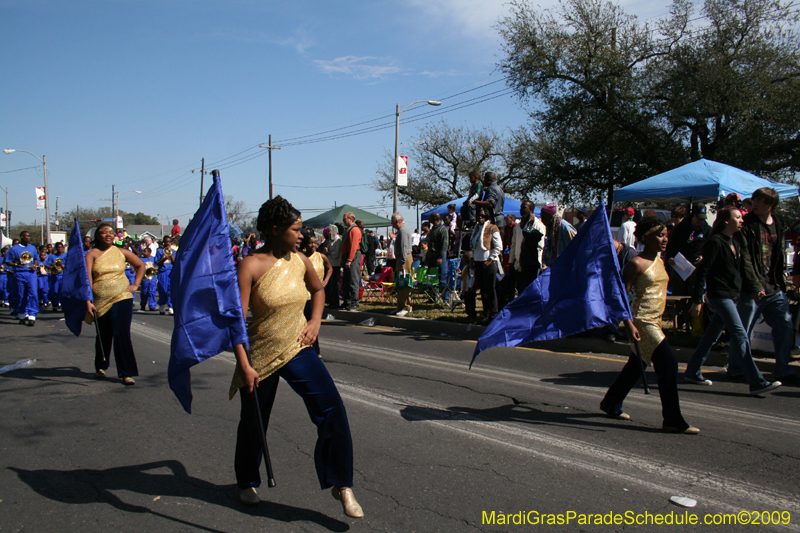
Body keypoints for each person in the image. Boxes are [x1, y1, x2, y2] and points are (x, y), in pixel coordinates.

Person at [229, 196, 363, 517]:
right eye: (296, 229)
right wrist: (244, 365)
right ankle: (247, 480)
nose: (301, 235)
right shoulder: (250, 265)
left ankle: (342, 484)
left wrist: (315, 321)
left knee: (331, 408)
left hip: (299, 347)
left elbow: (318, 291)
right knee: (254, 421)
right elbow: (235, 320)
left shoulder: (301, 260)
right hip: (261, 354)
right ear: (276, 230)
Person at [600, 216, 698, 434]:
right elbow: (620, 298)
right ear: (646, 238)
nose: (665, 239)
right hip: (643, 323)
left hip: (656, 321)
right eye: (660, 235)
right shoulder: (635, 263)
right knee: (669, 365)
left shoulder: (661, 261)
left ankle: (611, 403)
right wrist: (628, 324)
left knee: (636, 366)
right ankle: (672, 418)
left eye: (665, 235)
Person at [684, 207, 781, 394]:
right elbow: (703, 271)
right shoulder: (715, 242)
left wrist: (755, 287)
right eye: (738, 217)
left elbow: (743, 268)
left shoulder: (735, 240)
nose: (742, 220)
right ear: (726, 221)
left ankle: (692, 371)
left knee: (711, 336)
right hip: (720, 295)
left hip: (731, 294)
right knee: (740, 335)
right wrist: (697, 300)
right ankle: (757, 381)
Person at [736, 187, 798, 385]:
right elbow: (744, 257)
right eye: (754, 199)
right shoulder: (747, 224)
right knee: (743, 330)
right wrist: (754, 284)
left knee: (785, 325)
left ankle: (782, 368)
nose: (755, 203)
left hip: (774, 286)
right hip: (752, 288)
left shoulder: (778, 224)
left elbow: (779, 255)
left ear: (770, 204)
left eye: (760, 201)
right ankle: (737, 368)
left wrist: (781, 281)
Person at [85, 223, 145, 385]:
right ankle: (101, 366)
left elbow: (140, 265)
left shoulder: (122, 252)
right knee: (104, 334)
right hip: (100, 300)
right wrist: (88, 301)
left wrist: (135, 285)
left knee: (121, 333)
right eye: (104, 233)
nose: (108, 235)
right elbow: (87, 279)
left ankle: (126, 372)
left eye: (111, 232)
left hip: (122, 297)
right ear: (98, 236)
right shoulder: (92, 255)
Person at [300, 229, 332, 356]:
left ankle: (315, 350)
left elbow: (330, 269)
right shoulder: (301, 257)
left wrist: (325, 281)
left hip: (317, 294)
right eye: (309, 243)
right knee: (305, 322)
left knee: (314, 321)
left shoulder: (321, 256)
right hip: (304, 293)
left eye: (314, 243)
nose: (313, 245)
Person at [469, 208, 503, 325]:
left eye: (482, 216)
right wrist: (472, 259)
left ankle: (493, 314)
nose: (480, 218)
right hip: (478, 261)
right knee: (483, 290)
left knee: (490, 289)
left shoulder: (492, 228)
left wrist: (490, 260)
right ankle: (486, 313)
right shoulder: (476, 228)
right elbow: (473, 246)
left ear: (487, 217)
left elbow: (498, 246)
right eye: (478, 215)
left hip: (488, 261)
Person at [509, 200, 546, 294]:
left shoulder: (538, 225)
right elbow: (513, 245)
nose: (521, 210)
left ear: (531, 209)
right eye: (521, 207)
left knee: (531, 291)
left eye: (524, 207)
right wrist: (511, 261)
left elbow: (540, 247)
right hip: (519, 265)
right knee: (521, 290)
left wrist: (538, 264)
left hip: (531, 266)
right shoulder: (517, 227)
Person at [5, 231, 40, 325]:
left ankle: (32, 314)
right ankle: (21, 314)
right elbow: (8, 261)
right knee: (21, 295)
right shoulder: (14, 249)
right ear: (21, 237)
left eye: (29, 236)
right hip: (19, 273)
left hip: (31, 274)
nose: (29, 237)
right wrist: (16, 264)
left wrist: (34, 266)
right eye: (27, 236)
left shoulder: (32, 248)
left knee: (33, 293)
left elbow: (36, 259)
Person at [392, 213, 413, 317]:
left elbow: (404, 247)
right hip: (400, 258)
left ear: (397, 221)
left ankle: (407, 306)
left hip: (405, 258)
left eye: (392, 221)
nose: (391, 223)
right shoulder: (400, 231)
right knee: (400, 283)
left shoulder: (403, 231)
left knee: (405, 282)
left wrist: (403, 263)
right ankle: (400, 306)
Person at [341, 212, 362, 311]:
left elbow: (354, 245)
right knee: (346, 280)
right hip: (347, 255)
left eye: (344, 219)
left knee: (353, 279)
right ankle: (347, 300)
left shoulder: (355, 230)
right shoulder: (348, 230)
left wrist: (350, 259)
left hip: (353, 255)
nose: (343, 221)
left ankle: (355, 302)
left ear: (350, 219)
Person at [155, 236, 177, 315]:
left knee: (171, 289)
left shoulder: (174, 251)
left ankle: (170, 306)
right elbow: (157, 263)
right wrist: (163, 259)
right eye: (166, 242)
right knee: (163, 289)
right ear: (164, 242)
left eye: (169, 242)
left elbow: (175, 263)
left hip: (171, 271)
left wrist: (171, 255)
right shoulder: (160, 251)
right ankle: (162, 305)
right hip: (163, 272)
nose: (167, 243)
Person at [425, 212, 449, 286]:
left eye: (430, 217)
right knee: (432, 279)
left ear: (435, 218)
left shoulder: (442, 229)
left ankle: (445, 297)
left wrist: (440, 257)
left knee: (442, 279)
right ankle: (434, 296)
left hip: (439, 257)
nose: (429, 219)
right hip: (431, 257)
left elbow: (444, 245)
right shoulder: (432, 230)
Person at [324, 226, 342, 309]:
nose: (328, 233)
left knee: (334, 284)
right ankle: (330, 301)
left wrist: (328, 252)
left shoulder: (338, 241)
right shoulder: (330, 241)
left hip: (335, 264)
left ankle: (335, 303)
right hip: (330, 264)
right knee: (330, 284)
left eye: (330, 231)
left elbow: (336, 254)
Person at [45, 242, 67, 312]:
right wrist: (53, 267)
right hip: (55, 276)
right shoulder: (52, 256)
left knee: (63, 292)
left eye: (61, 247)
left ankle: (63, 305)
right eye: (58, 247)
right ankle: (55, 305)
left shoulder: (66, 256)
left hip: (64, 276)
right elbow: (47, 265)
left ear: (63, 248)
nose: (59, 249)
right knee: (55, 291)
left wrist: (64, 267)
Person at [139, 246, 158, 311]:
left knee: (152, 291)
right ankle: (143, 304)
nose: (143, 253)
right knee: (144, 291)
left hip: (152, 277)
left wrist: (153, 268)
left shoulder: (154, 259)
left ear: (149, 252)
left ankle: (152, 305)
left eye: (145, 251)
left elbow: (157, 266)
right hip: (145, 277)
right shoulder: (141, 259)